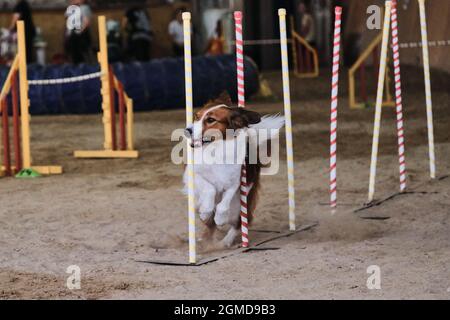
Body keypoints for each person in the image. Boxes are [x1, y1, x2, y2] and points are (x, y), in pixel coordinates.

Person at [65, 0, 93, 64]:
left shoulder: (84, 8)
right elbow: (67, 17)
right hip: (71, 34)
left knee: (82, 55)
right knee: (72, 55)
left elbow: (86, 21)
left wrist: (79, 32)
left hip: (80, 35)